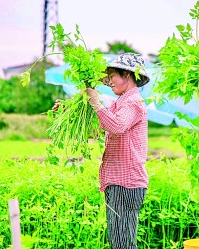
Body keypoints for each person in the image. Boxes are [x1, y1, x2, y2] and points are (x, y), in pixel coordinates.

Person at [85, 53, 150, 249]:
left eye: (112, 76)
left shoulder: (134, 103)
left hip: (126, 184)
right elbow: (100, 126)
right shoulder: (120, 103)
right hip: (118, 182)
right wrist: (66, 111)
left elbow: (117, 125)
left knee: (123, 244)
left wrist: (96, 102)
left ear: (127, 75)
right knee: (118, 242)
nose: (110, 81)